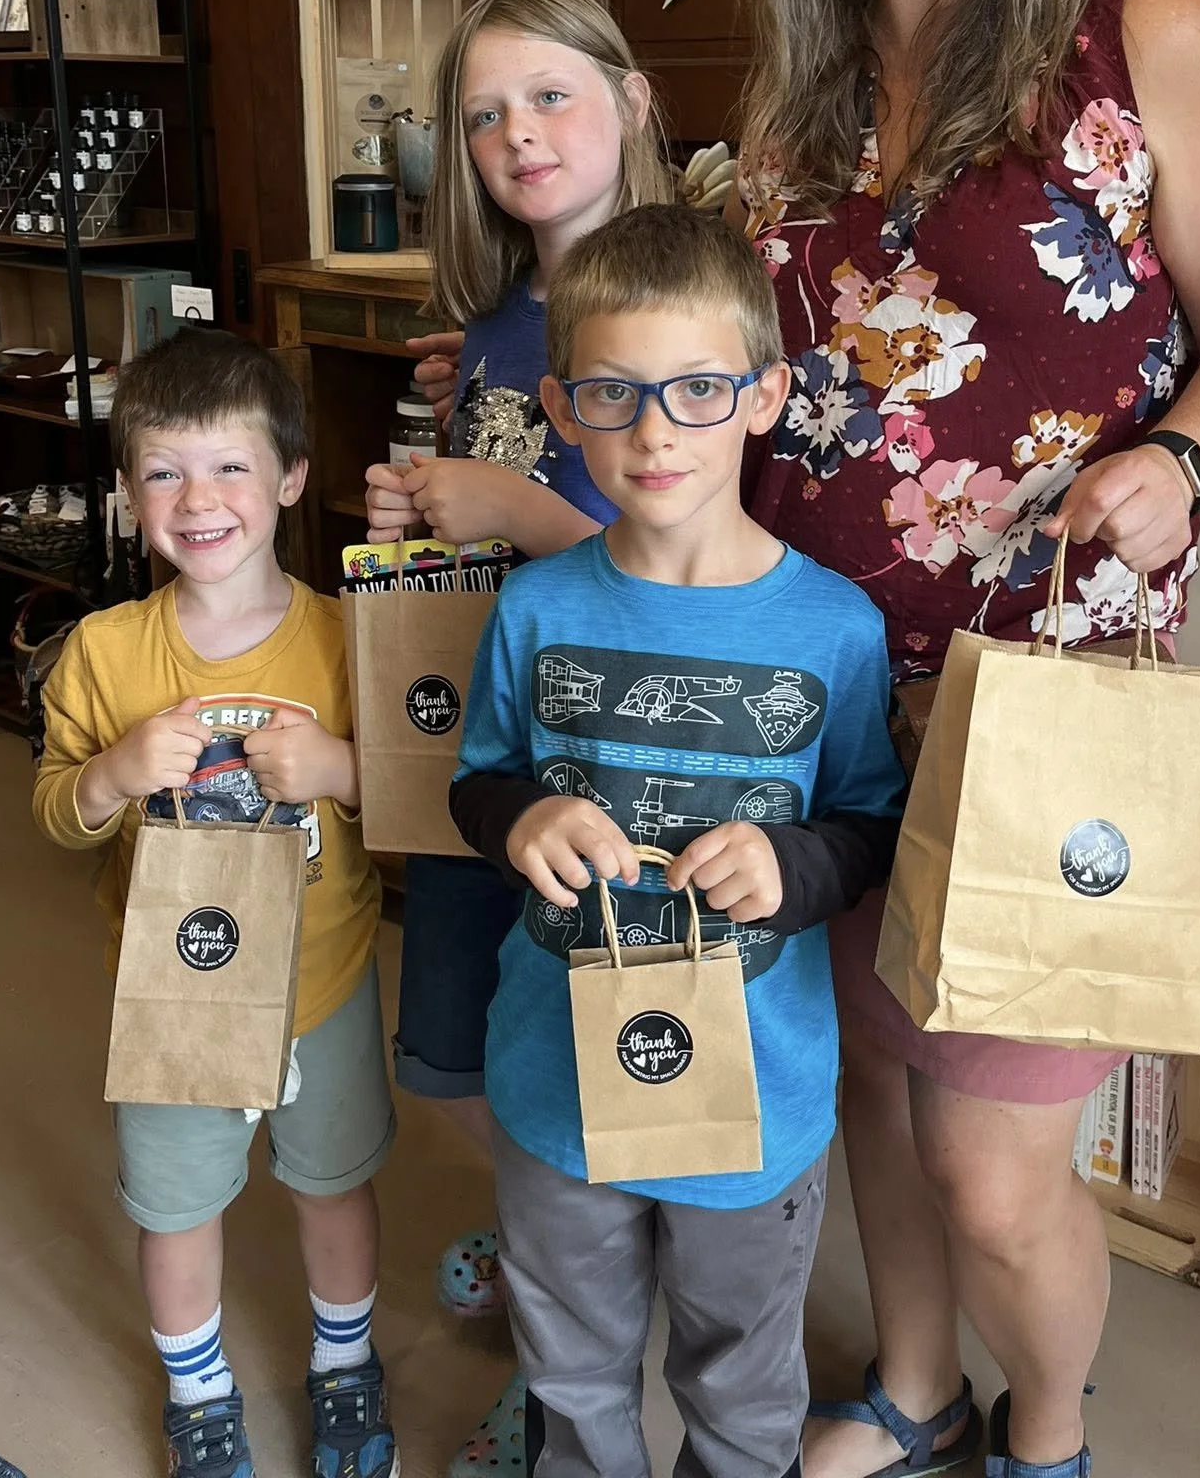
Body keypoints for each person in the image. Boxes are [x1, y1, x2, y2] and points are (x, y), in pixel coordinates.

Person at [733, 0, 1200, 1478]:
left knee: (993, 1159)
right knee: (880, 1103)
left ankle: (1045, 1431)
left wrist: (1187, 464)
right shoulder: (790, 84)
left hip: (1043, 699)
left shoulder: (1142, 37)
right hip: (813, 689)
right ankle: (910, 1389)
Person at [447, 203, 906, 1478]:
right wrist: (521, 816)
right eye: (613, 391)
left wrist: (791, 864)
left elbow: (869, 822)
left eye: (699, 388)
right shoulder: (534, 604)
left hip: (755, 1105)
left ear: (762, 397)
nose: (656, 429)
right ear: (561, 404)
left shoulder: (834, 626)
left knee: (745, 1389)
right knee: (573, 1372)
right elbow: (480, 780)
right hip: (555, 1087)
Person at [361, 0, 673, 1472]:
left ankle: (576, 1356)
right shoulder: (491, 327)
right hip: (480, 748)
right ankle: (543, 1246)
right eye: (483, 114)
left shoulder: (678, 306)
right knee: (474, 1057)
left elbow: (678, 558)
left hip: (607, 763)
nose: (516, 134)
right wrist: (422, 510)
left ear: (628, 98)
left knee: (588, 1056)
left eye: (548, 95)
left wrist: (520, 512)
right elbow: (482, 514)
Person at [34, 326, 398, 1478]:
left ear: (290, 477)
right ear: (130, 490)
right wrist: (110, 772)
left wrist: (342, 768)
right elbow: (53, 809)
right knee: (174, 1204)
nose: (199, 499)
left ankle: (346, 1365)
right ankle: (197, 1391)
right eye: (163, 470)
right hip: (173, 999)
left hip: (321, 978)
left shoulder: (347, 639)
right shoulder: (100, 653)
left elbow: (419, 795)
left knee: (333, 1185)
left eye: (230, 465)